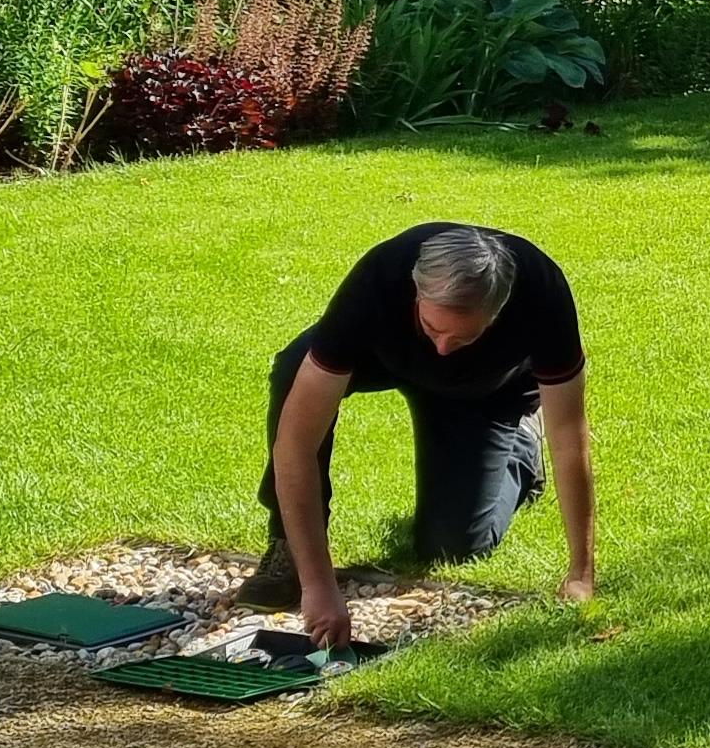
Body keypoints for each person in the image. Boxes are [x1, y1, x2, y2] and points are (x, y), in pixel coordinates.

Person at [240, 223, 595, 646]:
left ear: (497, 313)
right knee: (295, 370)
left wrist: (580, 575)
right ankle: (287, 550)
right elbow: (295, 444)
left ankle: (520, 446)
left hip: (483, 390)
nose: (442, 347)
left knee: (454, 545)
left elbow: (570, 441)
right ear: (415, 291)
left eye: (461, 335)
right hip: (387, 357)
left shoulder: (542, 293)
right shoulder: (379, 279)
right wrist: (318, 586)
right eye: (432, 328)